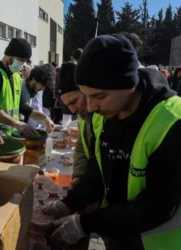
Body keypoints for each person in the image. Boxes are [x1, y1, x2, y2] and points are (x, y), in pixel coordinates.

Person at [43, 35, 181, 250]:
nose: (90, 107)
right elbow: (99, 169)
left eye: (98, 96)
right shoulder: (103, 115)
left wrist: (86, 223)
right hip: (119, 231)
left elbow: (157, 205)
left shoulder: (172, 121)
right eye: (87, 96)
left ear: (128, 86)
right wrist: (70, 203)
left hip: (156, 240)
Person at [0, 38, 54, 136]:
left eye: (24, 61)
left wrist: (44, 117)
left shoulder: (16, 77)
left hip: (8, 134)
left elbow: (21, 106)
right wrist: (17, 123)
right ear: (8, 55)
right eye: (20, 60)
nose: (22, 65)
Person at [58, 62, 90, 189]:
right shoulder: (83, 117)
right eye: (68, 105)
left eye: (74, 102)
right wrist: (78, 177)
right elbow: (82, 148)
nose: (72, 110)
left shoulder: (105, 115)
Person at [22, 63, 55, 129]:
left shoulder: (37, 90)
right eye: (42, 86)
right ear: (34, 79)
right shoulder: (21, 88)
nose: (42, 89)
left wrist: (45, 120)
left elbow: (38, 108)